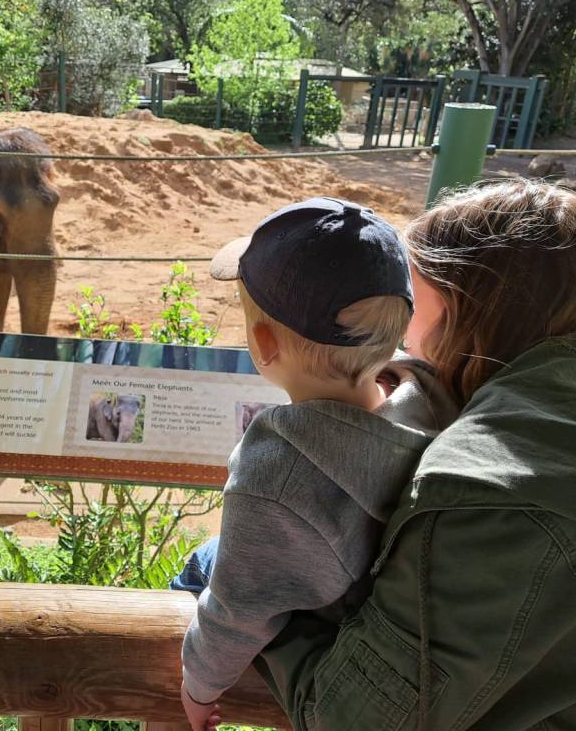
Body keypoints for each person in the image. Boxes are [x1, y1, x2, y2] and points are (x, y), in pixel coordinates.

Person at [253, 179, 576, 731]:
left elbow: (352, 719)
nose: (401, 340)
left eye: (410, 303)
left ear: (465, 310)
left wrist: (258, 593)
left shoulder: (485, 495)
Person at [175, 197, 458, 731]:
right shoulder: (430, 394)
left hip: (328, 616)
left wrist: (198, 687)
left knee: (200, 565)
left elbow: (237, 611)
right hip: (384, 599)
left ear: (264, 344)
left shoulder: (275, 472)